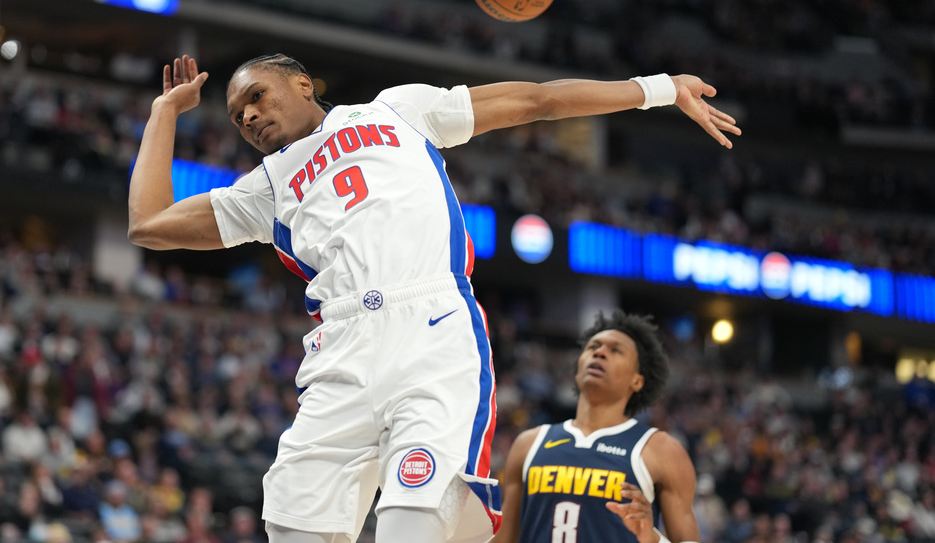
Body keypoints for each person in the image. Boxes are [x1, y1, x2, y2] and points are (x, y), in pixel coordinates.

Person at [128, 54, 739, 543]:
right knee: (290, 526)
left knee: (411, 527)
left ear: (303, 83)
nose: (249, 116)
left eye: (257, 96)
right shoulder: (263, 188)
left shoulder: (397, 109)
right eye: (237, 116)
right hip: (338, 352)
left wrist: (656, 88)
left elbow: (537, 98)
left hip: (429, 326)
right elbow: (148, 221)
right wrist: (165, 113)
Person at [493, 311, 699, 543]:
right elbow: (504, 538)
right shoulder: (528, 443)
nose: (599, 353)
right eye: (593, 347)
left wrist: (652, 538)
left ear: (637, 380)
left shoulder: (662, 450)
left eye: (615, 350)